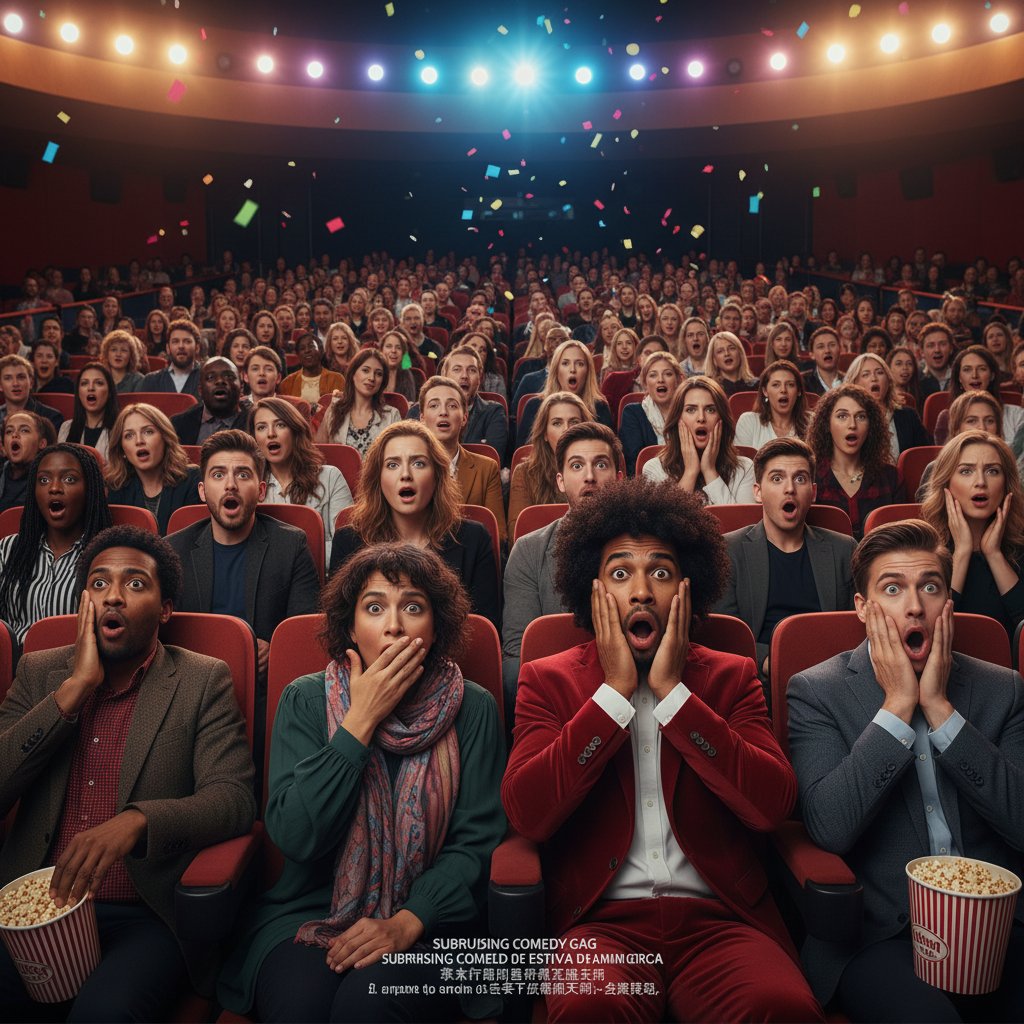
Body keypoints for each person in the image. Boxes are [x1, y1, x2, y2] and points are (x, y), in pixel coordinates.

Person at [502, 477, 824, 1023]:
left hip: (721, 921)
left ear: (686, 590)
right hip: (599, 923)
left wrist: (676, 695)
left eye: (661, 572)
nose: (643, 591)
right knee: (588, 1008)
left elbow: (772, 805)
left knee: (781, 1007)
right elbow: (528, 815)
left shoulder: (732, 675)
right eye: (621, 572)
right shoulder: (547, 680)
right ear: (592, 589)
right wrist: (613, 697)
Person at [217, 543, 505, 1023]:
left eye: (413, 607)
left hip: (431, 925)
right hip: (309, 912)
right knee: (301, 1006)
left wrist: (407, 921)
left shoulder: (472, 708)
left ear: (435, 629)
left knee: (367, 1005)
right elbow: (294, 835)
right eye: (375, 608)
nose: (394, 624)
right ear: (351, 627)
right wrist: (359, 724)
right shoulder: (305, 700)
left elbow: (477, 844)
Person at [0, 524, 256, 1020]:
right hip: (30, 910)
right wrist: (74, 690)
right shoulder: (40, 673)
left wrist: (137, 822)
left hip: (144, 914)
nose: (113, 596)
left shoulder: (203, 679)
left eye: (135, 583)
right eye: (99, 583)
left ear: (165, 609)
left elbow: (233, 799)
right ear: (83, 603)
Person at [787, 520, 1024, 1021]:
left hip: (1003, 926)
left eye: (930, 587)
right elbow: (829, 827)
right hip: (882, 933)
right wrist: (897, 707)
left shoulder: (1003, 688)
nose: (915, 606)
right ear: (862, 608)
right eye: (892, 588)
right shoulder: (816, 690)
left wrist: (940, 710)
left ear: (948, 605)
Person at [167, 430, 319, 680]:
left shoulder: (291, 545)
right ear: (203, 491)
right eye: (218, 474)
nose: (230, 484)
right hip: (191, 683)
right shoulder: (173, 550)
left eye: (242, 474)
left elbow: (303, 632)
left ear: (260, 491)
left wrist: (277, 649)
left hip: (263, 685)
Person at [329, 421, 500, 630]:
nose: (406, 474)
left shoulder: (473, 539)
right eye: (392, 464)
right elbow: (340, 628)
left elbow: (483, 632)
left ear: (437, 475)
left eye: (418, 463)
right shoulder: (349, 541)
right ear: (378, 478)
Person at [502, 422, 622, 713]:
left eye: (601, 464)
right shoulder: (530, 551)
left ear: (619, 478)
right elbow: (517, 659)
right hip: (558, 703)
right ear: (560, 481)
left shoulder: (648, 547)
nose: (590, 477)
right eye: (577, 466)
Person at [714, 437, 856, 683]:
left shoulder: (843, 549)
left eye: (800, 478)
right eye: (777, 479)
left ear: (812, 493)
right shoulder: (728, 550)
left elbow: (853, 627)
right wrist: (774, 662)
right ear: (758, 492)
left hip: (832, 677)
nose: (789, 488)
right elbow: (728, 636)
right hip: (759, 678)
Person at [0, 444, 112, 645]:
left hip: (75, 668)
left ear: (90, 489)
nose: (54, 488)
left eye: (69, 479)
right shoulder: (8, 549)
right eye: (43, 480)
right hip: (13, 669)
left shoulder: (107, 556)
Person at [920, 430, 1024, 637]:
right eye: (966, 471)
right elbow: (930, 630)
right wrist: (963, 552)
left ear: (1006, 484)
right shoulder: (921, 548)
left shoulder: (1020, 546)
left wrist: (994, 554)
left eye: (992, 471)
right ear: (946, 482)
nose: (981, 482)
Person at [251, 396, 353, 560]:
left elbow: (346, 548)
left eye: (280, 425)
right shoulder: (250, 486)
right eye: (261, 427)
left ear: (295, 431)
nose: (271, 434)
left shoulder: (330, 477)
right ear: (254, 438)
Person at [807, 383, 905, 540]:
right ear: (827, 424)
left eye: (861, 416)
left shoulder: (890, 477)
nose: (852, 425)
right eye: (842, 416)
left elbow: (901, 539)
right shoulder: (809, 476)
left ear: (870, 426)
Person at [417, 376, 505, 543]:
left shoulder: (486, 468)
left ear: (464, 418)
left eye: (452, 405)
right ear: (422, 418)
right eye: (434, 405)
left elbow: (497, 534)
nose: (443, 412)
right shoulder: (407, 469)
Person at [643, 376, 755, 504]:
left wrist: (709, 470)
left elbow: (740, 522)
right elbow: (664, 524)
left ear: (721, 419)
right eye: (691, 410)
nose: (701, 418)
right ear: (678, 418)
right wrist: (690, 472)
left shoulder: (745, 468)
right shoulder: (655, 469)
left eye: (710, 410)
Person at [106, 402, 202, 535]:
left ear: (165, 438)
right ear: (122, 449)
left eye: (148, 431)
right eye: (129, 435)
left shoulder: (192, 479)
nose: (139, 441)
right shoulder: (117, 487)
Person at [507, 392, 592, 537]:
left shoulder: (596, 472)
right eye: (557, 423)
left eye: (574, 422)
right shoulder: (524, 473)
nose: (566, 429)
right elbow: (518, 534)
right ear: (545, 433)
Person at [516, 339, 613, 447]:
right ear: (556, 370)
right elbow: (523, 453)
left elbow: (610, 454)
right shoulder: (534, 406)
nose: (572, 369)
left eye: (580, 364)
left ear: (588, 372)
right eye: (565, 363)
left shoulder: (599, 407)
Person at [933, 345, 1024, 448]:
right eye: (967, 369)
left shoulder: (1018, 415)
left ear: (992, 375)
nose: (975, 375)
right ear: (959, 377)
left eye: (982, 369)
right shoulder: (947, 417)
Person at [315, 348, 401, 456]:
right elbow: (318, 453)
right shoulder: (335, 409)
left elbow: (397, 459)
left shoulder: (392, 415)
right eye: (365, 370)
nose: (372, 378)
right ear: (353, 374)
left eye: (378, 374)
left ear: (382, 382)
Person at [845, 352, 932, 458]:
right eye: (865, 374)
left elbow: (925, 457)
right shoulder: (849, 421)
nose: (874, 378)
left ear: (888, 380)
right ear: (854, 383)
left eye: (879, 372)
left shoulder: (909, 416)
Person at [437, 344, 509, 460]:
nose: (464, 376)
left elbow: (491, 459)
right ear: (444, 375)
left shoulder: (494, 412)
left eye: (471, 370)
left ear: (480, 377)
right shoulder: (420, 410)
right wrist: (477, 446)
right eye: (457, 369)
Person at [618, 351, 682, 474]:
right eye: (653, 375)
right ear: (645, 382)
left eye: (668, 374)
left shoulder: (690, 412)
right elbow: (635, 465)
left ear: (678, 380)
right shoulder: (632, 413)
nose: (660, 380)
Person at [170, 357, 249, 446]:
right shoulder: (178, 425)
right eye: (211, 377)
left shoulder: (254, 423)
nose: (220, 381)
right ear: (200, 390)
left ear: (241, 387)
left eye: (229, 377)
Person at [735, 360, 810, 448]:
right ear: (765, 391)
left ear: (799, 391)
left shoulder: (811, 422)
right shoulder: (749, 422)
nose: (783, 390)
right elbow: (742, 461)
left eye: (790, 384)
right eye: (776, 385)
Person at [56, 362, 118, 460]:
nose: (90, 388)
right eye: (84, 383)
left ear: (110, 392)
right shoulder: (66, 428)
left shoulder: (121, 428)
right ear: (78, 392)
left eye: (99, 383)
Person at [0, 411, 55, 513]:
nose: (15, 435)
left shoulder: (49, 482)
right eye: (9, 431)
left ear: (42, 443)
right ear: (3, 447)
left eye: (24, 430)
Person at [0, 353, 62, 430]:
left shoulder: (51, 417)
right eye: (8, 378)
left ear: (31, 382)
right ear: (0, 386)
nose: (15, 383)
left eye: (21, 377)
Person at [279, 331, 346, 404]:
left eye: (311, 346)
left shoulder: (337, 379)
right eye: (302, 348)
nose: (307, 350)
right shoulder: (287, 383)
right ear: (298, 355)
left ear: (321, 350)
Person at [140, 319, 202, 397]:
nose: (181, 346)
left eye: (187, 341)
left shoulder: (208, 378)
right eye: (175, 341)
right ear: (168, 348)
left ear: (197, 348)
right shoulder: (150, 381)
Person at [702, 331, 759, 396]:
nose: (727, 354)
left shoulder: (757, 385)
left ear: (740, 354)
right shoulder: (709, 389)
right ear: (714, 359)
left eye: (731, 348)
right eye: (720, 351)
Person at [99, 328, 147, 393]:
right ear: (106, 354)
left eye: (124, 350)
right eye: (114, 350)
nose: (118, 354)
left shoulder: (138, 380)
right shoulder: (98, 378)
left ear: (131, 356)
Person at [802, 327, 843, 396]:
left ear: (840, 350)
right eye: (821, 347)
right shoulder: (802, 383)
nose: (827, 350)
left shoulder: (850, 380)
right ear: (812, 354)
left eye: (832, 345)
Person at [918, 323, 956, 399]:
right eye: (931, 345)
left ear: (951, 348)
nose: (937, 350)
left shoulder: (960, 377)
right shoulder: (914, 379)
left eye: (942, 344)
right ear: (922, 352)